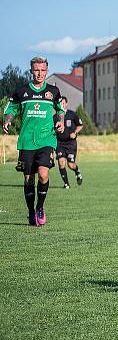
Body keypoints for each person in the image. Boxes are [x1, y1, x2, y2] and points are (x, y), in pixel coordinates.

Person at [2, 56, 65, 226]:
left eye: (43, 70)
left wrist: (60, 120)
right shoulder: (22, 91)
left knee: (43, 175)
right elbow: (10, 110)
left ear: (47, 70)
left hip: (46, 139)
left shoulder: (53, 91)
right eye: (36, 70)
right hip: (27, 141)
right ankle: (30, 212)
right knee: (28, 179)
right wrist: (7, 120)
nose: (39, 73)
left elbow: (60, 109)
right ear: (31, 70)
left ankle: (40, 208)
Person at [56, 97, 84, 188]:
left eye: (64, 103)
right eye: (61, 103)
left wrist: (75, 133)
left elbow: (80, 125)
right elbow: (52, 131)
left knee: (71, 165)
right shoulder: (55, 117)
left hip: (71, 144)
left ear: (67, 104)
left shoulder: (72, 114)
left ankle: (77, 172)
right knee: (61, 163)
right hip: (60, 143)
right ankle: (66, 184)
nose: (62, 105)